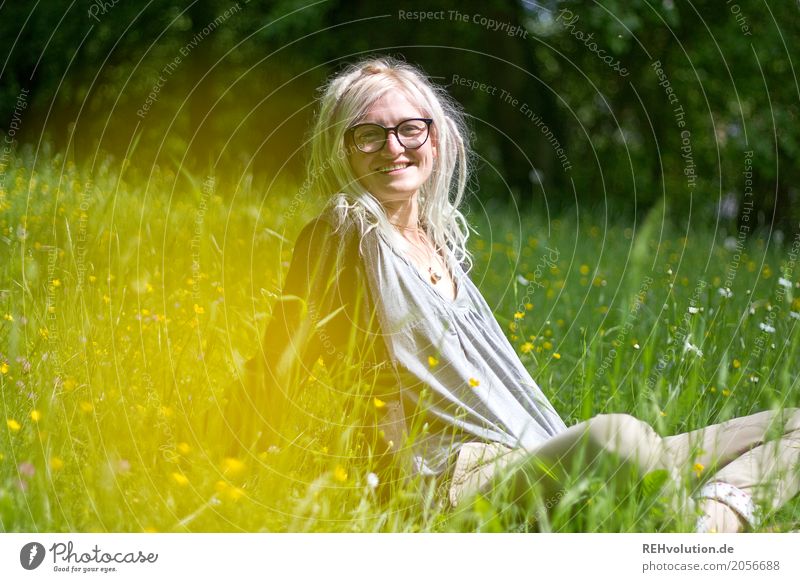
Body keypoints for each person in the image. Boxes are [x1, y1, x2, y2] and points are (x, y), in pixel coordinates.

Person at [238, 55, 800, 533]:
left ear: (436, 136)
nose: (393, 147)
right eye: (368, 133)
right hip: (452, 480)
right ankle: (698, 544)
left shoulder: (439, 240)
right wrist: (233, 472)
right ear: (341, 148)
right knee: (621, 437)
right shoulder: (345, 230)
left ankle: (713, 517)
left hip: (537, 449)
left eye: (410, 128)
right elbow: (278, 361)